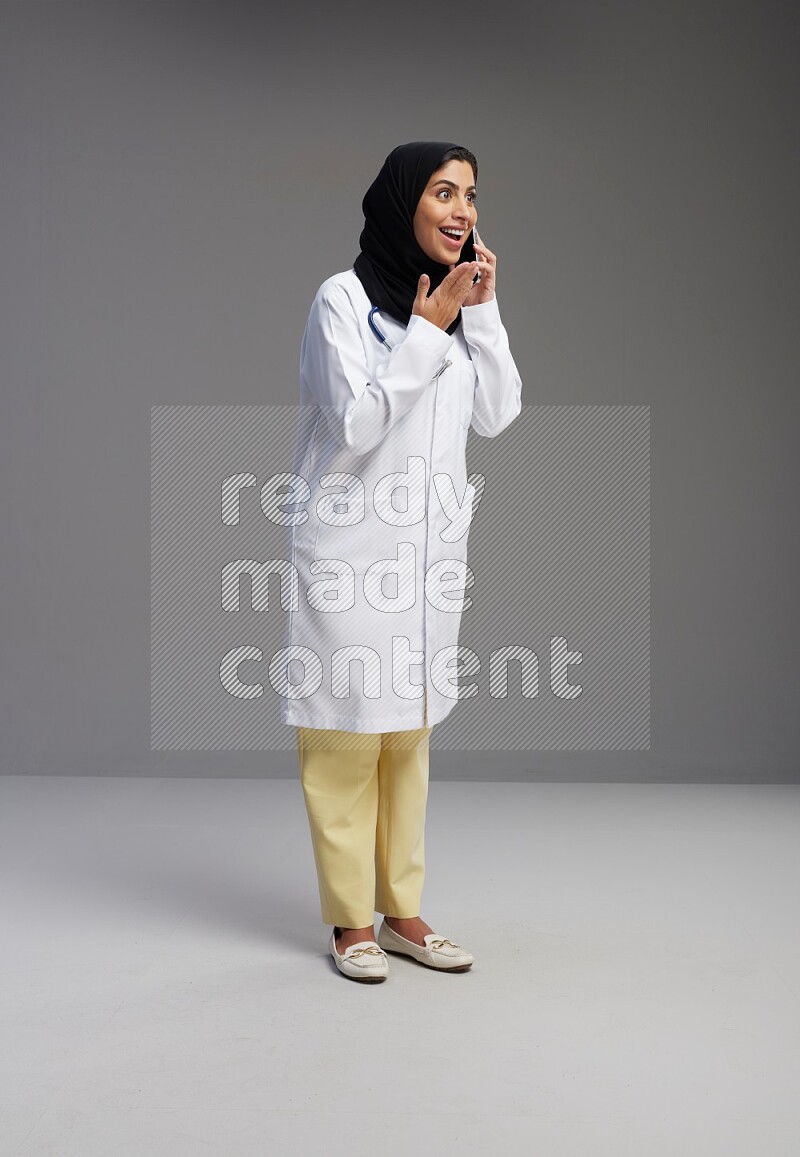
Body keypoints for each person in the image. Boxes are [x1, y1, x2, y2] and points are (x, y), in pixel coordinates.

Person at [280, 141, 522, 981]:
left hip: (425, 559)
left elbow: (498, 413)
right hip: (350, 554)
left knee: (408, 735)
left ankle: (404, 912)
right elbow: (355, 423)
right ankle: (351, 922)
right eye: (445, 193)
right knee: (346, 735)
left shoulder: (460, 312)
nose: (464, 211)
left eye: (472, 196)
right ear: (401, 205)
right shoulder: (341, 302)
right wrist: (425, 328)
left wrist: (478, 314)